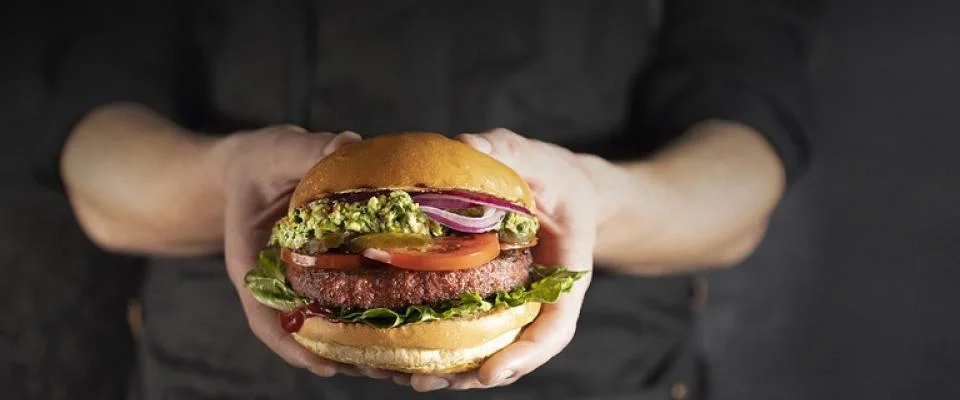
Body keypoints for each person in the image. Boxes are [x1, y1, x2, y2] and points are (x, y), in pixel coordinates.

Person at [36, 0, 821, 398]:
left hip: (602, 375)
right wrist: (228, 175)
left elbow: (743, 169)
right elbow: (99, 160)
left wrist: (596, 198)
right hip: (222, 375)